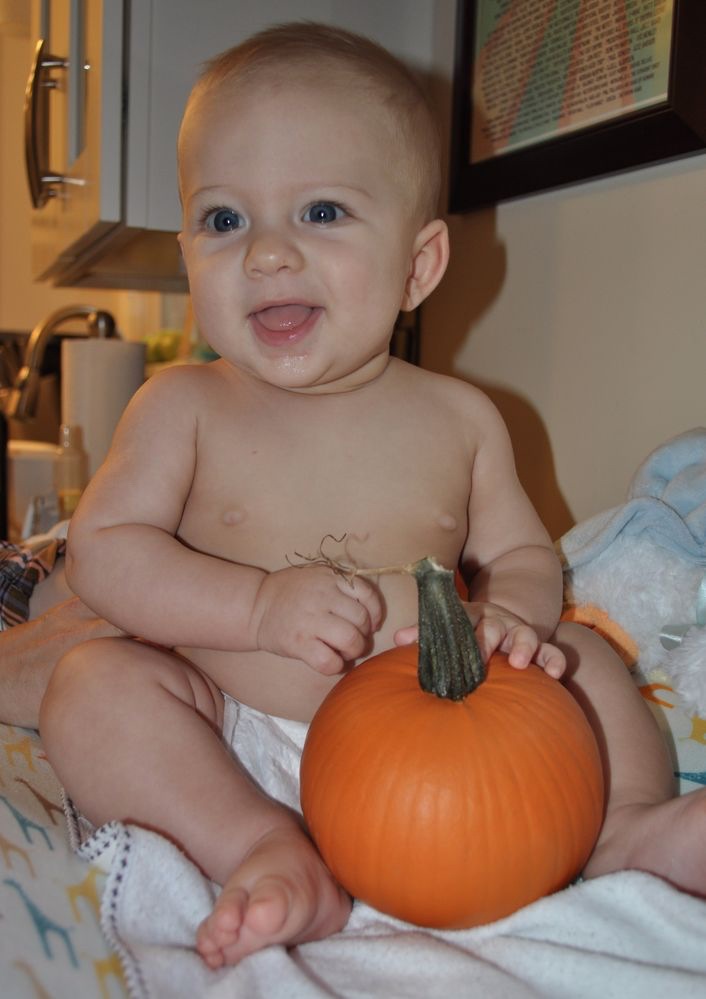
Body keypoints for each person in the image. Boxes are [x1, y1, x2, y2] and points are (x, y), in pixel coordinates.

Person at [37, 22, 705, 971]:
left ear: (419, 266)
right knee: (91, 686)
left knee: (582, 655)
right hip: (234, 734)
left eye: (320, 212)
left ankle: (626, 827)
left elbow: (523, 554)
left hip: (450, 740)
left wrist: (509, 620)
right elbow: (105, 551)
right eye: (224, 220)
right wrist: (256, 608)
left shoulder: (462, 417)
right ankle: (263, 847)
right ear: (186, 252)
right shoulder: (181, 406)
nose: (267, 254)